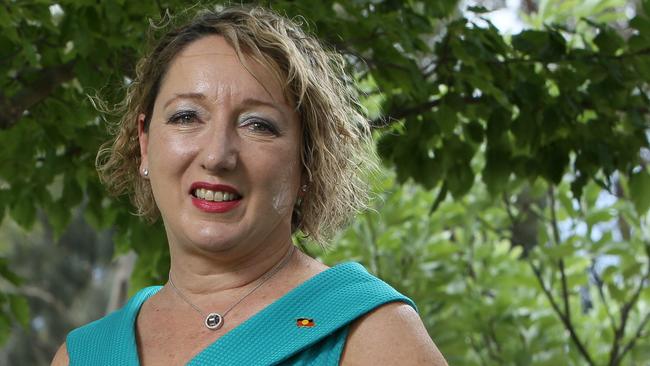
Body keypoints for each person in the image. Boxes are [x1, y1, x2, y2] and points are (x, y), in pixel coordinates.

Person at [52, 5, 447, 365]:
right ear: (144, 143)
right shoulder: (83, 355)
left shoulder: (374, 335)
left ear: (308, 162)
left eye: (258, 124)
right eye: (187, 116)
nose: (217, 155)